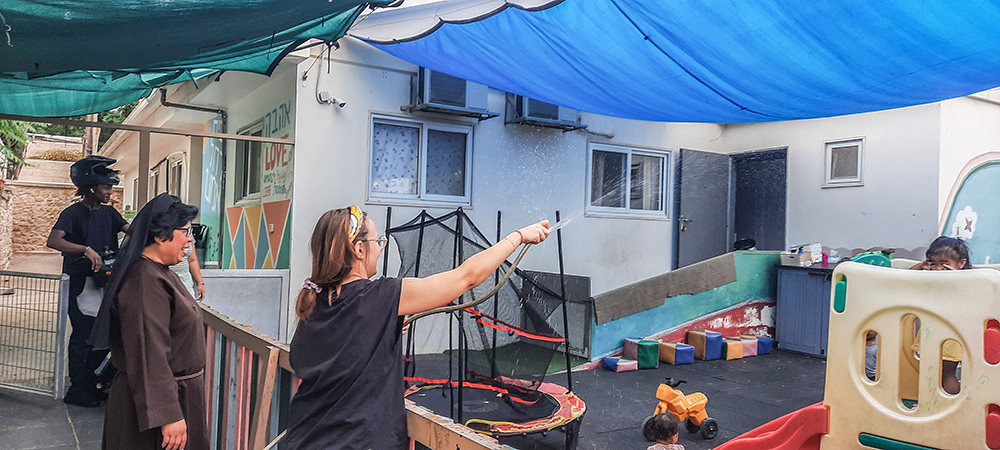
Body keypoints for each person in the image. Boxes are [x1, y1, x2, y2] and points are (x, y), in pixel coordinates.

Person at [284, 205, 550, 449]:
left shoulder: (314, 299)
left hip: (303, 438)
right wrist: (518, 237)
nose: (381, 247)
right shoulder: (379, 296)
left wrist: (379, 330)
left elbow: (330, 351)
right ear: (360, 250)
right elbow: (467, 278)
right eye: (378, 241)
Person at [93, 194, 209, 450]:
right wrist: (168, 414)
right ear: (160, 235)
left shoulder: (160, 272)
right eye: (187, 232)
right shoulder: (144, 281)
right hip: (156, 405)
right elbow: (149, 350)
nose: (191, 240)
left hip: (176, 394)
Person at [46, 155, 129, 407]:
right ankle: (77, 390)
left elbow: (131, 231)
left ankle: (92, 384)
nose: (109, 192)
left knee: (103, 335)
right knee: (83, 337)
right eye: (106, 187)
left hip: (105, 283)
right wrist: (85, 249)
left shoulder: (110, 213)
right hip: (82, 286)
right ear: (91, 187)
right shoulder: (72, 213)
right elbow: (54, 240)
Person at [908, 236, 971, 394]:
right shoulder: (932, 278)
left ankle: (951, 404)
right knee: (932, 372)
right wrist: (923, 265)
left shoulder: (965, 280)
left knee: (947, 373)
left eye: (944, 263)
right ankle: (935, 404)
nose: (938, 268)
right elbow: (906, 278)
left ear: (961, 264)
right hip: (933, 332)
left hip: (951, 336)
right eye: (933, 264)